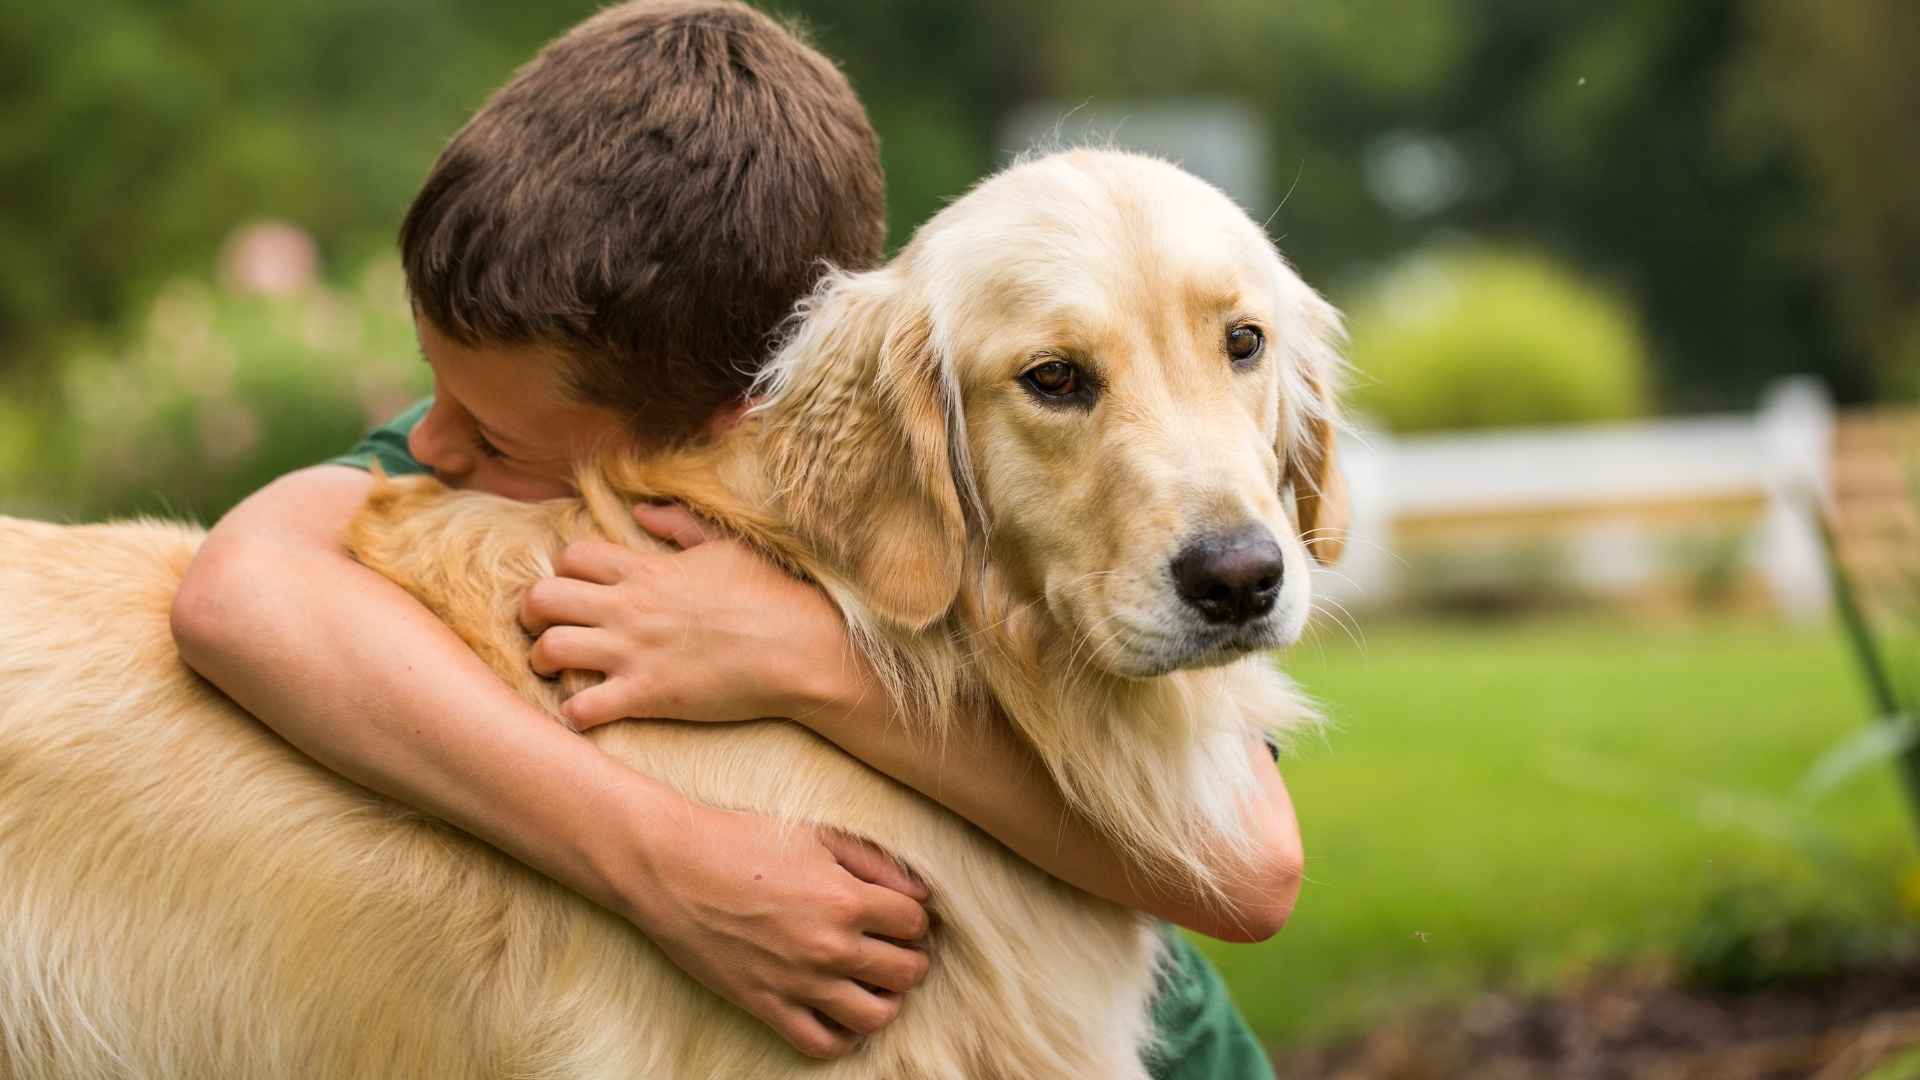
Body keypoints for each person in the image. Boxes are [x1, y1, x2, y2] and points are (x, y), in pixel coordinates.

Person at [169, 2, 1297, 1074]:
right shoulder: (528, 414)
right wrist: (661, 857)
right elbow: (239, 592)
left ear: (731, 424)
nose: (437, 448)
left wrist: (808, 665)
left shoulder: (887, 434)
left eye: (495, 432)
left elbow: (1251, 873)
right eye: (435, 395)